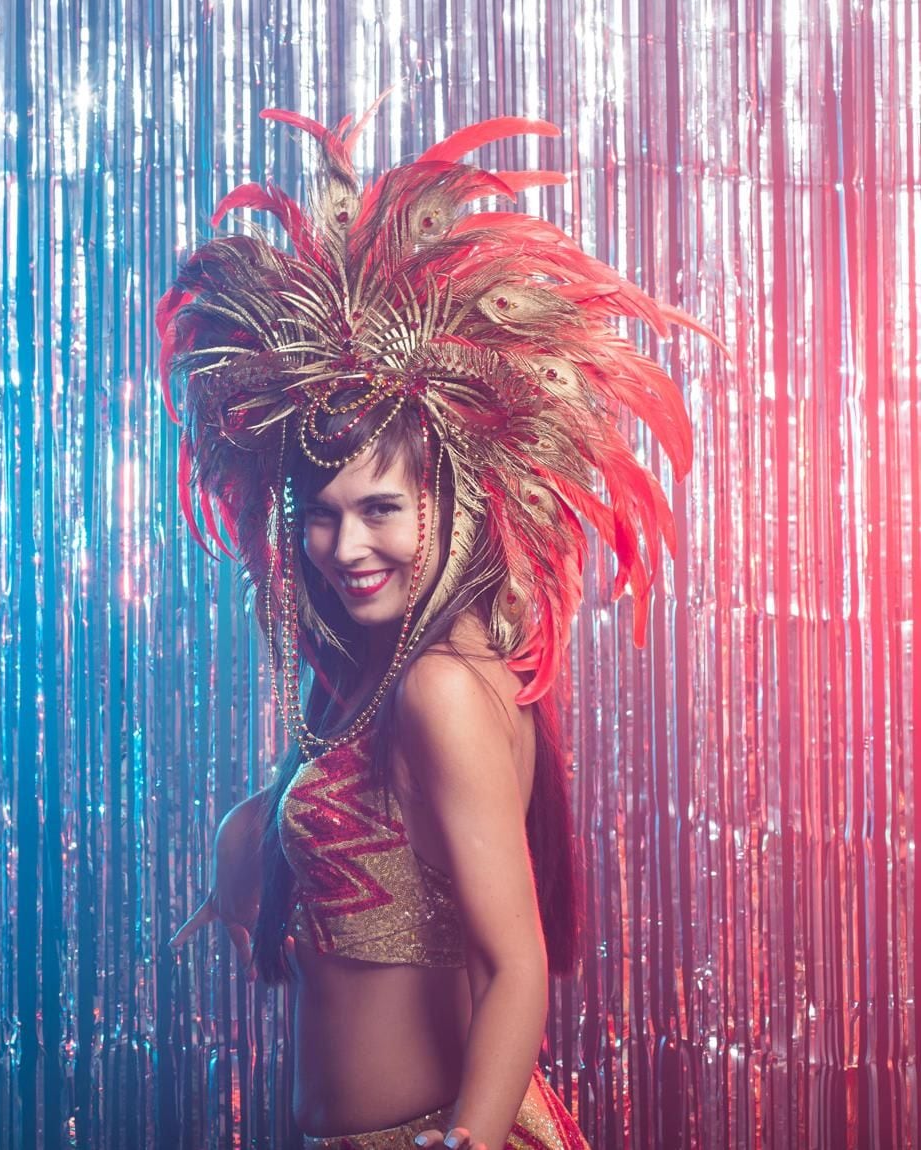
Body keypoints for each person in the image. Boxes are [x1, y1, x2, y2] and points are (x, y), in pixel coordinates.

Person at [163, 104, 704, 1150]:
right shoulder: (372, 685)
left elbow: (517, 968)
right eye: (319, 516)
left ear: (448, 506)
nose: (344, 546)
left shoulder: (438, 687)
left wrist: (458, 1144)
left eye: (380, 509)